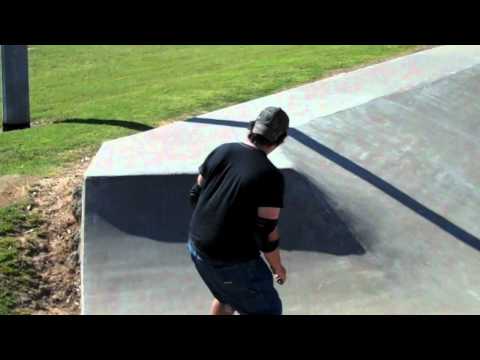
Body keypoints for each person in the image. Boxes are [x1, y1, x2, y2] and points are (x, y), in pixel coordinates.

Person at [187, 106, 289, 315]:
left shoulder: (223, 150)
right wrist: (277, 267)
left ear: (252, 128)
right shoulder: (270, 176)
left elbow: (196, 194)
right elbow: (265, 233)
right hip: (233, 261)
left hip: (197, 248)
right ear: (280, 140)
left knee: (227, 298)